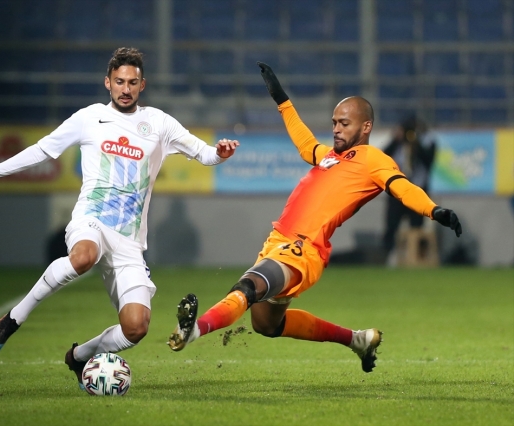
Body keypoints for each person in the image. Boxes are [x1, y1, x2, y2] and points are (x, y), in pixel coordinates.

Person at [0, 47, 239, 389]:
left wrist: (220, 153)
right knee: (83, 257)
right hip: (92, 221)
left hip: (128, 242)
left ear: (142, 85)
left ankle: (79, 357)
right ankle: (12, 320)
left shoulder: (159, 123)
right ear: (107, 83)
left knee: (136, 328)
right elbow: (43, 150)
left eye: (132, 82)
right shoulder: (88, 118)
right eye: (119, 82)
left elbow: (203, 153)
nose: (125, 89)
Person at [167, 62, 462, 373]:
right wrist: (282, 99)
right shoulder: (330, 156)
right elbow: (305, 142)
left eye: (344, 123)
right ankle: (357, 340)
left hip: (302, 248)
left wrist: (434, 210)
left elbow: (402, 187)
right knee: (266, 324)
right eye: (334, 122)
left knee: (248, 286)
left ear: (366, 127)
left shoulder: (374, 159)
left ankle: (193, 330)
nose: (336, 129)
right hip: (278, 241)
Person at [382, 115, 437, 261]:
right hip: (397, 191)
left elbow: (429, 161)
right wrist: (396, 139)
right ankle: (389, 256)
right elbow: (382, 156)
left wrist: (416, 143)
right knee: (391, 224)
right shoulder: (398, 144)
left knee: (416, 226)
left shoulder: (428, 141)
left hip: (417, 190)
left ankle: (417, 257)